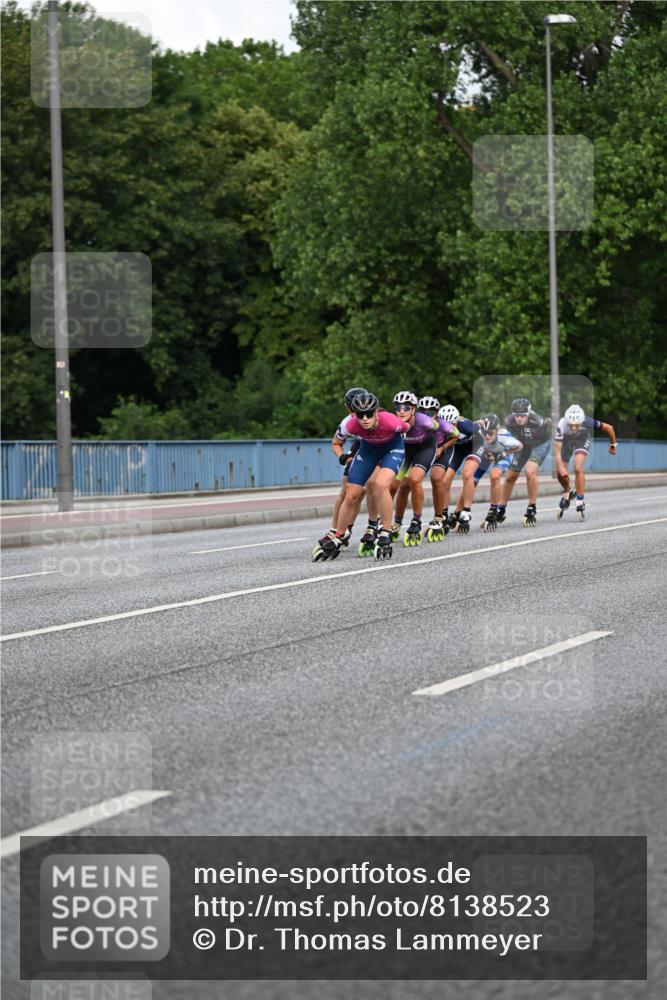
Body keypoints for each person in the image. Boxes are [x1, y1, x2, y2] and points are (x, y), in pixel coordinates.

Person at [311, 392, 409, 561]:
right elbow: (336, 442)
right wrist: (342, 455)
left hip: (392, 449)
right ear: (353, 413)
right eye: (360, 414)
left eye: (369, 414)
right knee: (351, 494)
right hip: (368, 450)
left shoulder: (391, 421)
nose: (365, 418)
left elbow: (408, 428)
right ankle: (339, 534)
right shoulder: (349, 425)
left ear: (376, 412)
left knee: (380, 485)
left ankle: (385, 531)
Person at [390, 393, 460, 546]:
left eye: (432, 413)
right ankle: (396, 522)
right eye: (425, 412)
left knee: (433, 479)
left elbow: (456, 434)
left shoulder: (433, 423)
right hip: (409, 452)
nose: (428, 416)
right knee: (399, 486)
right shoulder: (399, 421)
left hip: (431, 449)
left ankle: (435, 517)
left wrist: (442, 447)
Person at [454, 414, 523, 533]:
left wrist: (504, 454)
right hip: (486, 456)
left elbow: (519, 446)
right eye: (485, 432)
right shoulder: (479, 433)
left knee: (495, 476)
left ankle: (493, 511)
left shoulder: (503, 436)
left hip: (502, 455)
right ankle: (457, 513)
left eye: (490, 433)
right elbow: (466, 423)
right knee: (470, 481)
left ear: (496, 430)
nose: (487, 436)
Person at [497, 397, 552, 527]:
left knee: (530, 471)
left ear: (528, 414)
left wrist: (547, 421)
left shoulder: (537, 421)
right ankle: (501, 507)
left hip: (539, 445)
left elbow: (546, 422)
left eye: (523, 416)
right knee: (510, 476)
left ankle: (532, 506)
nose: (519, 419)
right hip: (523, 445)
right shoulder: (509, 421)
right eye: (517, 416)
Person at [555, 404, 617, 521]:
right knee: (559, 472)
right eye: (571, 425)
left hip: (582, 439)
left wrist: (613, 445)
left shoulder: (588, 421)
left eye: (576, 425)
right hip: (566, 442)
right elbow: (557, 450)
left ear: (582, 421)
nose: (573, 428)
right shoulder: (562, 424)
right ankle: (568, 491)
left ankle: (580, 499)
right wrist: (561, 468)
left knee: (577, 467)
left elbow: (609, 428)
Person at [330, 386, 374, 546]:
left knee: (368, 489)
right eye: (353, 409)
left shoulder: (376, 416)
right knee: (347, 491)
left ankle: (353, 525)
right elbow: (336, 443)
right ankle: (335, 529)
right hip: (360, 446)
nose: (359, 414)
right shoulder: (347, 422)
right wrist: (341, 455)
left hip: (378, 446)